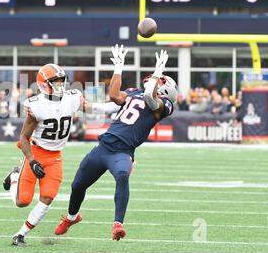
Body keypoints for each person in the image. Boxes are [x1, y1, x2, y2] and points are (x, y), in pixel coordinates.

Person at [54, 45, 177, 241]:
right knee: (77, 185)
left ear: (166, 87)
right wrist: (118, 67)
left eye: (159, 80)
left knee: (122, 175)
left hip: (123, 152)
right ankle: (71, 217)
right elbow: (113, 96)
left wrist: (158, 71)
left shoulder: (164, 105)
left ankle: (118, 224)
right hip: (104, 147)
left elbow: (149, 96)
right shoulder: (134, 93)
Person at [2, 63, 84, 246]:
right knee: (22, 201)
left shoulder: (70, 99)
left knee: (47, 197)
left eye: (62, 80)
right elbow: (23, 138)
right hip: (37, 153)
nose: (60, 85)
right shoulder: (35, 105)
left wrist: (121, 103)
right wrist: (31, 161)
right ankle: (15, 176)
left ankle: (20, 235)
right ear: (44, 84)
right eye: (56, 81)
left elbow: (95, 108)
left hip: (55, 157)